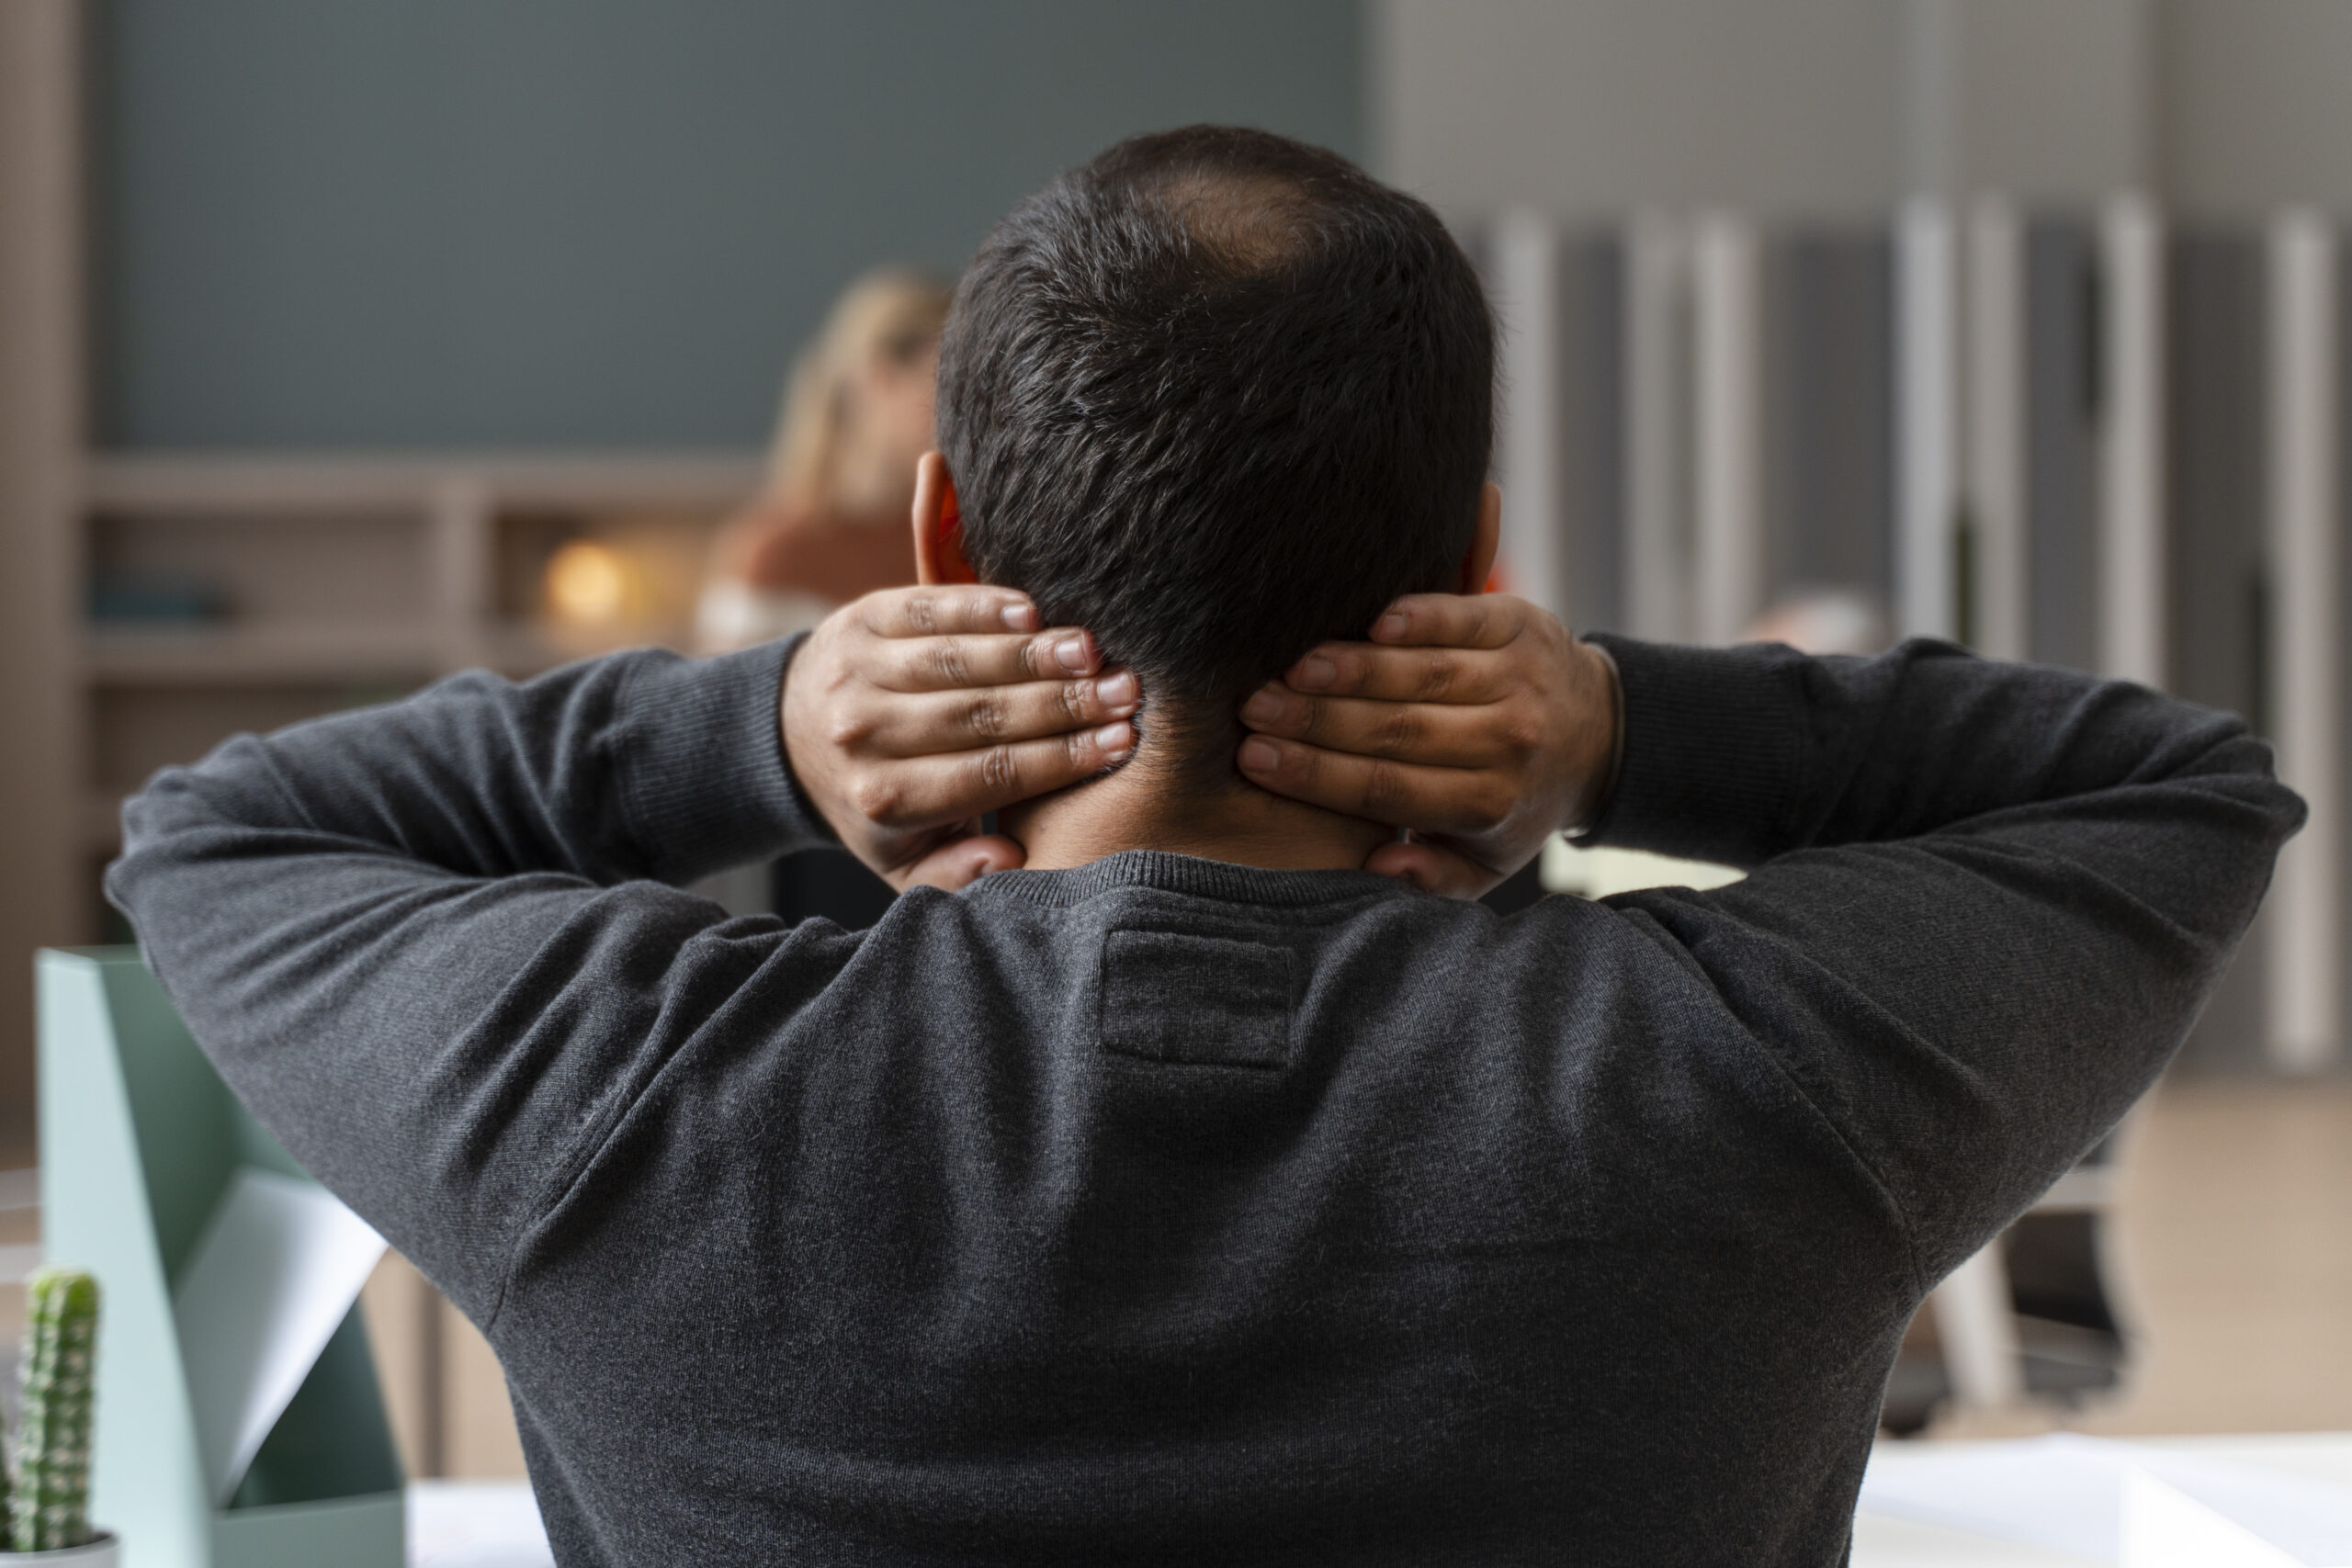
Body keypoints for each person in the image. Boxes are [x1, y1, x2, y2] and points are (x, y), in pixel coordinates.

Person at [109, 128, 2299, 1565]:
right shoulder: (1747, 1077)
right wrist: (1625, 719)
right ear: (1470, 564)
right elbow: (2176, 786)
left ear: (944, 542)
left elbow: (221, 832)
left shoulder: (617, 1103)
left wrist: (755, 726)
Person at [697, 268, 954, 929]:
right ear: (880, 375)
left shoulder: (965, 540)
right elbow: (727, 743)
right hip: (822, 869)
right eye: (945, 378)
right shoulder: (774, 551)